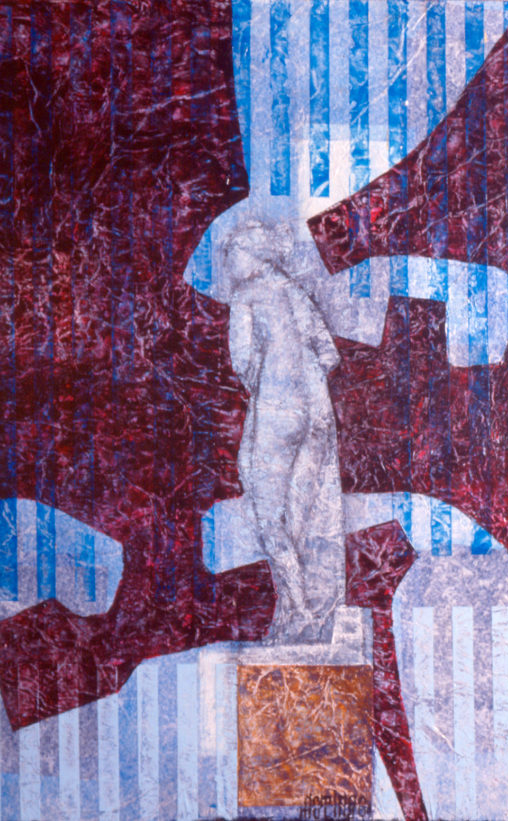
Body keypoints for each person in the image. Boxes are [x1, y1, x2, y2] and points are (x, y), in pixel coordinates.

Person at [224, 221, 343, 641]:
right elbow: (329, 354)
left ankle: (299, 610)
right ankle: (296, 608)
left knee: (267, 515)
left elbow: (242, 362)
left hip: (279, 410)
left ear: (251, 255)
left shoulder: (246, 295)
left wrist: (271, 382)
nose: (229, 265)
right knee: (298, 517)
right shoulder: (295, 292)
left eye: (232, 255)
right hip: (316, 414)